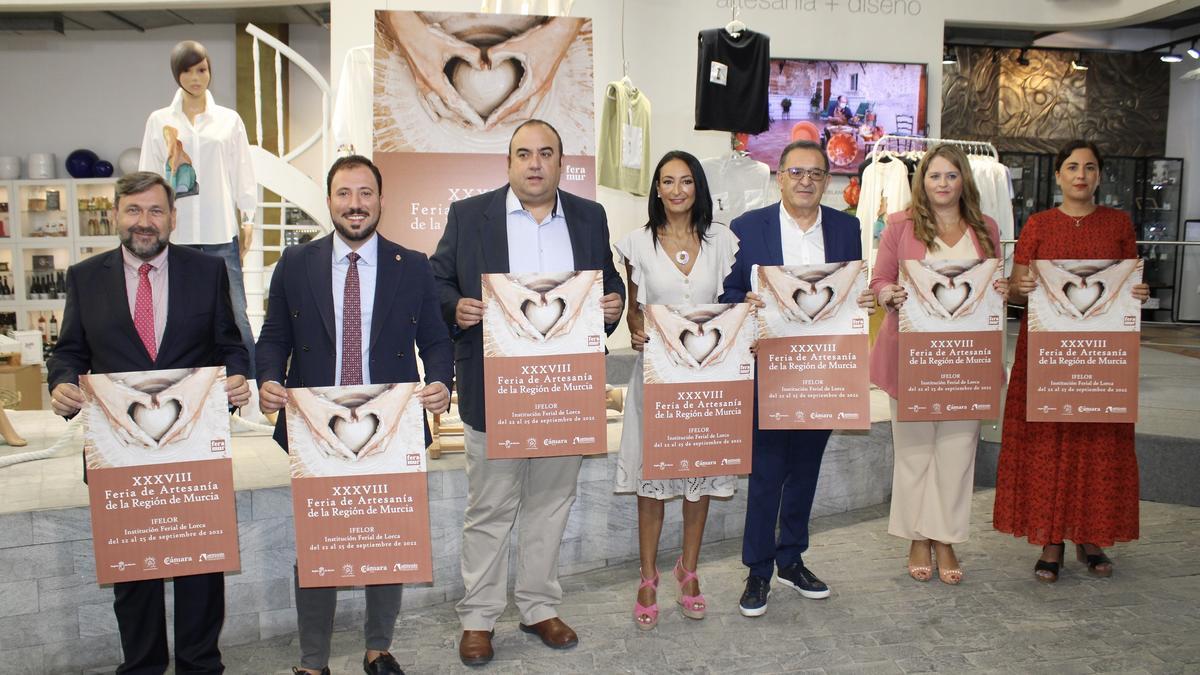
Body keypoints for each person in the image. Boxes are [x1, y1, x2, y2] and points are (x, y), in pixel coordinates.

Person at [431, 119, 624, 666]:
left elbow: (608, 282)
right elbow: (438, 280)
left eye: (546, 154)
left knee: (549, 504)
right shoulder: (471, 216)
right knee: (490, 507)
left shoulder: (589, 216)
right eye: (523, 154)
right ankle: (478, 618)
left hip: (567, 388)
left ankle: (539, 607)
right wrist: (457, 308)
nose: (535, 163)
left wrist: (611, 304)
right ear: (508, 163)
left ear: (562, 163)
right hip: (495, 388)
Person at [256, 155, 453, 675]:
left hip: (388, 427)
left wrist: (439, 382)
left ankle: (377, 649)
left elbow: (434, 337)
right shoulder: (295, 264)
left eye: (365, 193)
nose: (355, 204)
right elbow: (273, 335)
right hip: (315, 427)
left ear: (382, 200)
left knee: (386, 540)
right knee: (319, 544)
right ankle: (312, 662)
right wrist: (268, 380)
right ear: (329, 201)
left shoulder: (412, 265)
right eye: (344, 193)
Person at [47, 171, 251, 674]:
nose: (145, 222)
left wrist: (239, 376)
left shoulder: (207, 272)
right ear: (116, 215)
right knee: (133, 571)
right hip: (118, 451)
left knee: (200, 568)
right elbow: (70, 348)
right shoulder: (85, 277)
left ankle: (200, 665)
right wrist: (63, 383)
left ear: (172, 219)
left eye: (155, 211)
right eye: (134, 210)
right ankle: (141, 666)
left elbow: (229, 344)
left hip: (192, 445)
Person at [721, 140, 873, 617]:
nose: (805, 180)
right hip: (770, 371)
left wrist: (864, 301)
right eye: (795, 172)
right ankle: (758, 570)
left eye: (815, 173)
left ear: (828, 181)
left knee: (805, 471)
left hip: (825, 372)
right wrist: (741, 304)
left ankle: (792, 558)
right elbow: (727, 290)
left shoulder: (848, 229)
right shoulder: (747, 229)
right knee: (766, 473)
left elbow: (852, 287)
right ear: (779, 178)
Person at [993, 140, 1150, 583]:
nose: (1081, 174)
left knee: (1097, 437)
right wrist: (1018, 284)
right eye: (1072, 167)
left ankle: (1090, 534)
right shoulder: (1039, 225)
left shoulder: (1118, 224)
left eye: (1090, 167)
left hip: (1101, 355)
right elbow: (1022, 288)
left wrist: (1140, 291)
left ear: (1099, 176)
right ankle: (1051, 540)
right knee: (1047, 440)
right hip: (1047, 353)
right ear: (1059, 175)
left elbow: (1128, 283)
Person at [613, 150, 741, 630]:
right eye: (667, 182)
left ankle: (688, 571)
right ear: (657, 189)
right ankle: (647, 576)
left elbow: (731, 304)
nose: (676, 190)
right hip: (657, 378)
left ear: (698, 186)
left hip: (707, 379)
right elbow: (633, 311)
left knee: (699, 479)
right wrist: (637, 329)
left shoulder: (724, 242)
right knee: (654, 480)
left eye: (685, 181)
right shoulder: (636, 244)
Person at [869, 144, 1008, 585]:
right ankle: (916, 537)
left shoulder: (986, 228)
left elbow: (993, 286)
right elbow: (879, 279)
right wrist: (887, 294)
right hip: (911, 359)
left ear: (963, 179)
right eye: (935, 176)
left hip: (967, 360)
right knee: (913, 452)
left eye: (951, 175)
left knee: (957, 451)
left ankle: (944, 538)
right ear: (921, 180)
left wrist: (1002, 288)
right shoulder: (899, 225)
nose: (943, 184)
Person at [140, 40, 258, 376]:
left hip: (221, 230)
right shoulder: (159, 120)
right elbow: (149, 175)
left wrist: (247, 217)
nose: (196, 78)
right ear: (177, 75)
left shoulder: (228, 120)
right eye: (188, 71)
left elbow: (242, 172)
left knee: (236, 312)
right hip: (176, 237)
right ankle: (186, 390)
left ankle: (248, 391)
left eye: (202, 70)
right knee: (178, 317)